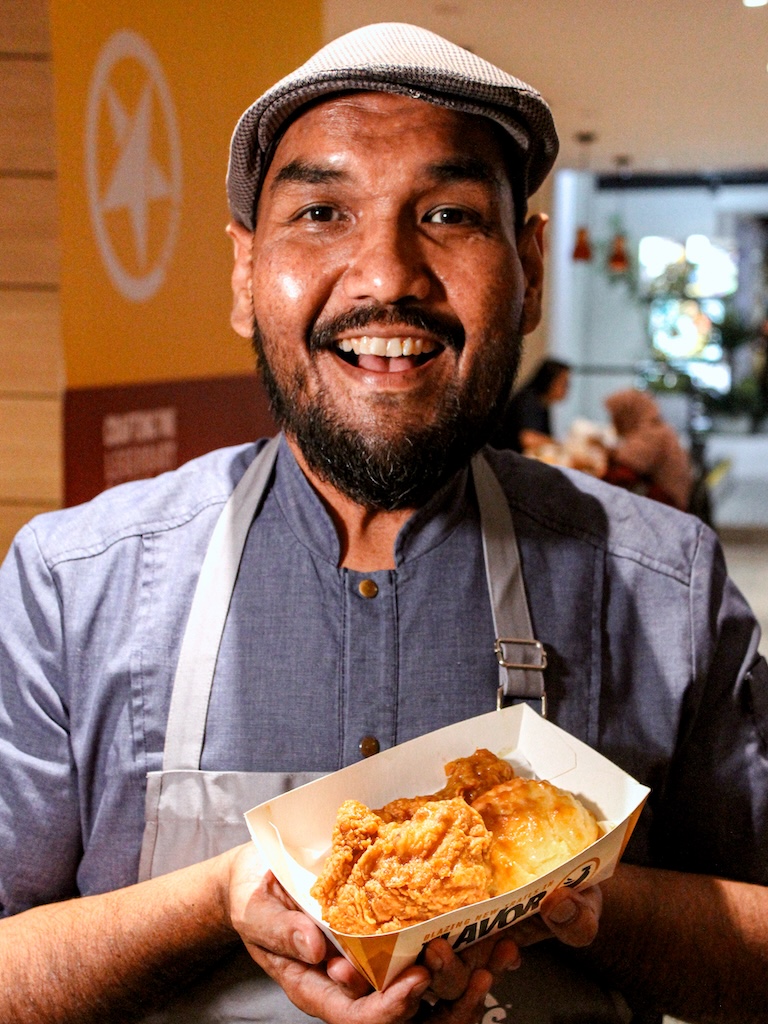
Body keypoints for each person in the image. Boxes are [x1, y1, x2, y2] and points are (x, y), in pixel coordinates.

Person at [0, 21, 767, 1024]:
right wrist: (225, 896)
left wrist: (570, 894)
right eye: (321, 211)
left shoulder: (664, 584)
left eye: (448, 214)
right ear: (243, 274)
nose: (385, 274)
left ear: (529, 266)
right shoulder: (75, 582)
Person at [603, 388, 694, 511]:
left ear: (628, 413)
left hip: (666, 506)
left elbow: (626, 472)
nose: (614, 422)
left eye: (617, 415)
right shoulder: (655, 428)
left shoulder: (652, 433)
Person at [489, 358, 571, 453]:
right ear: (550, 381)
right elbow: (528, 439)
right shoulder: (528, 401)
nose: (567, 388)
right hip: (504, 459)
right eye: (564, 383)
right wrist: (560, 445)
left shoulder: (542, 403)